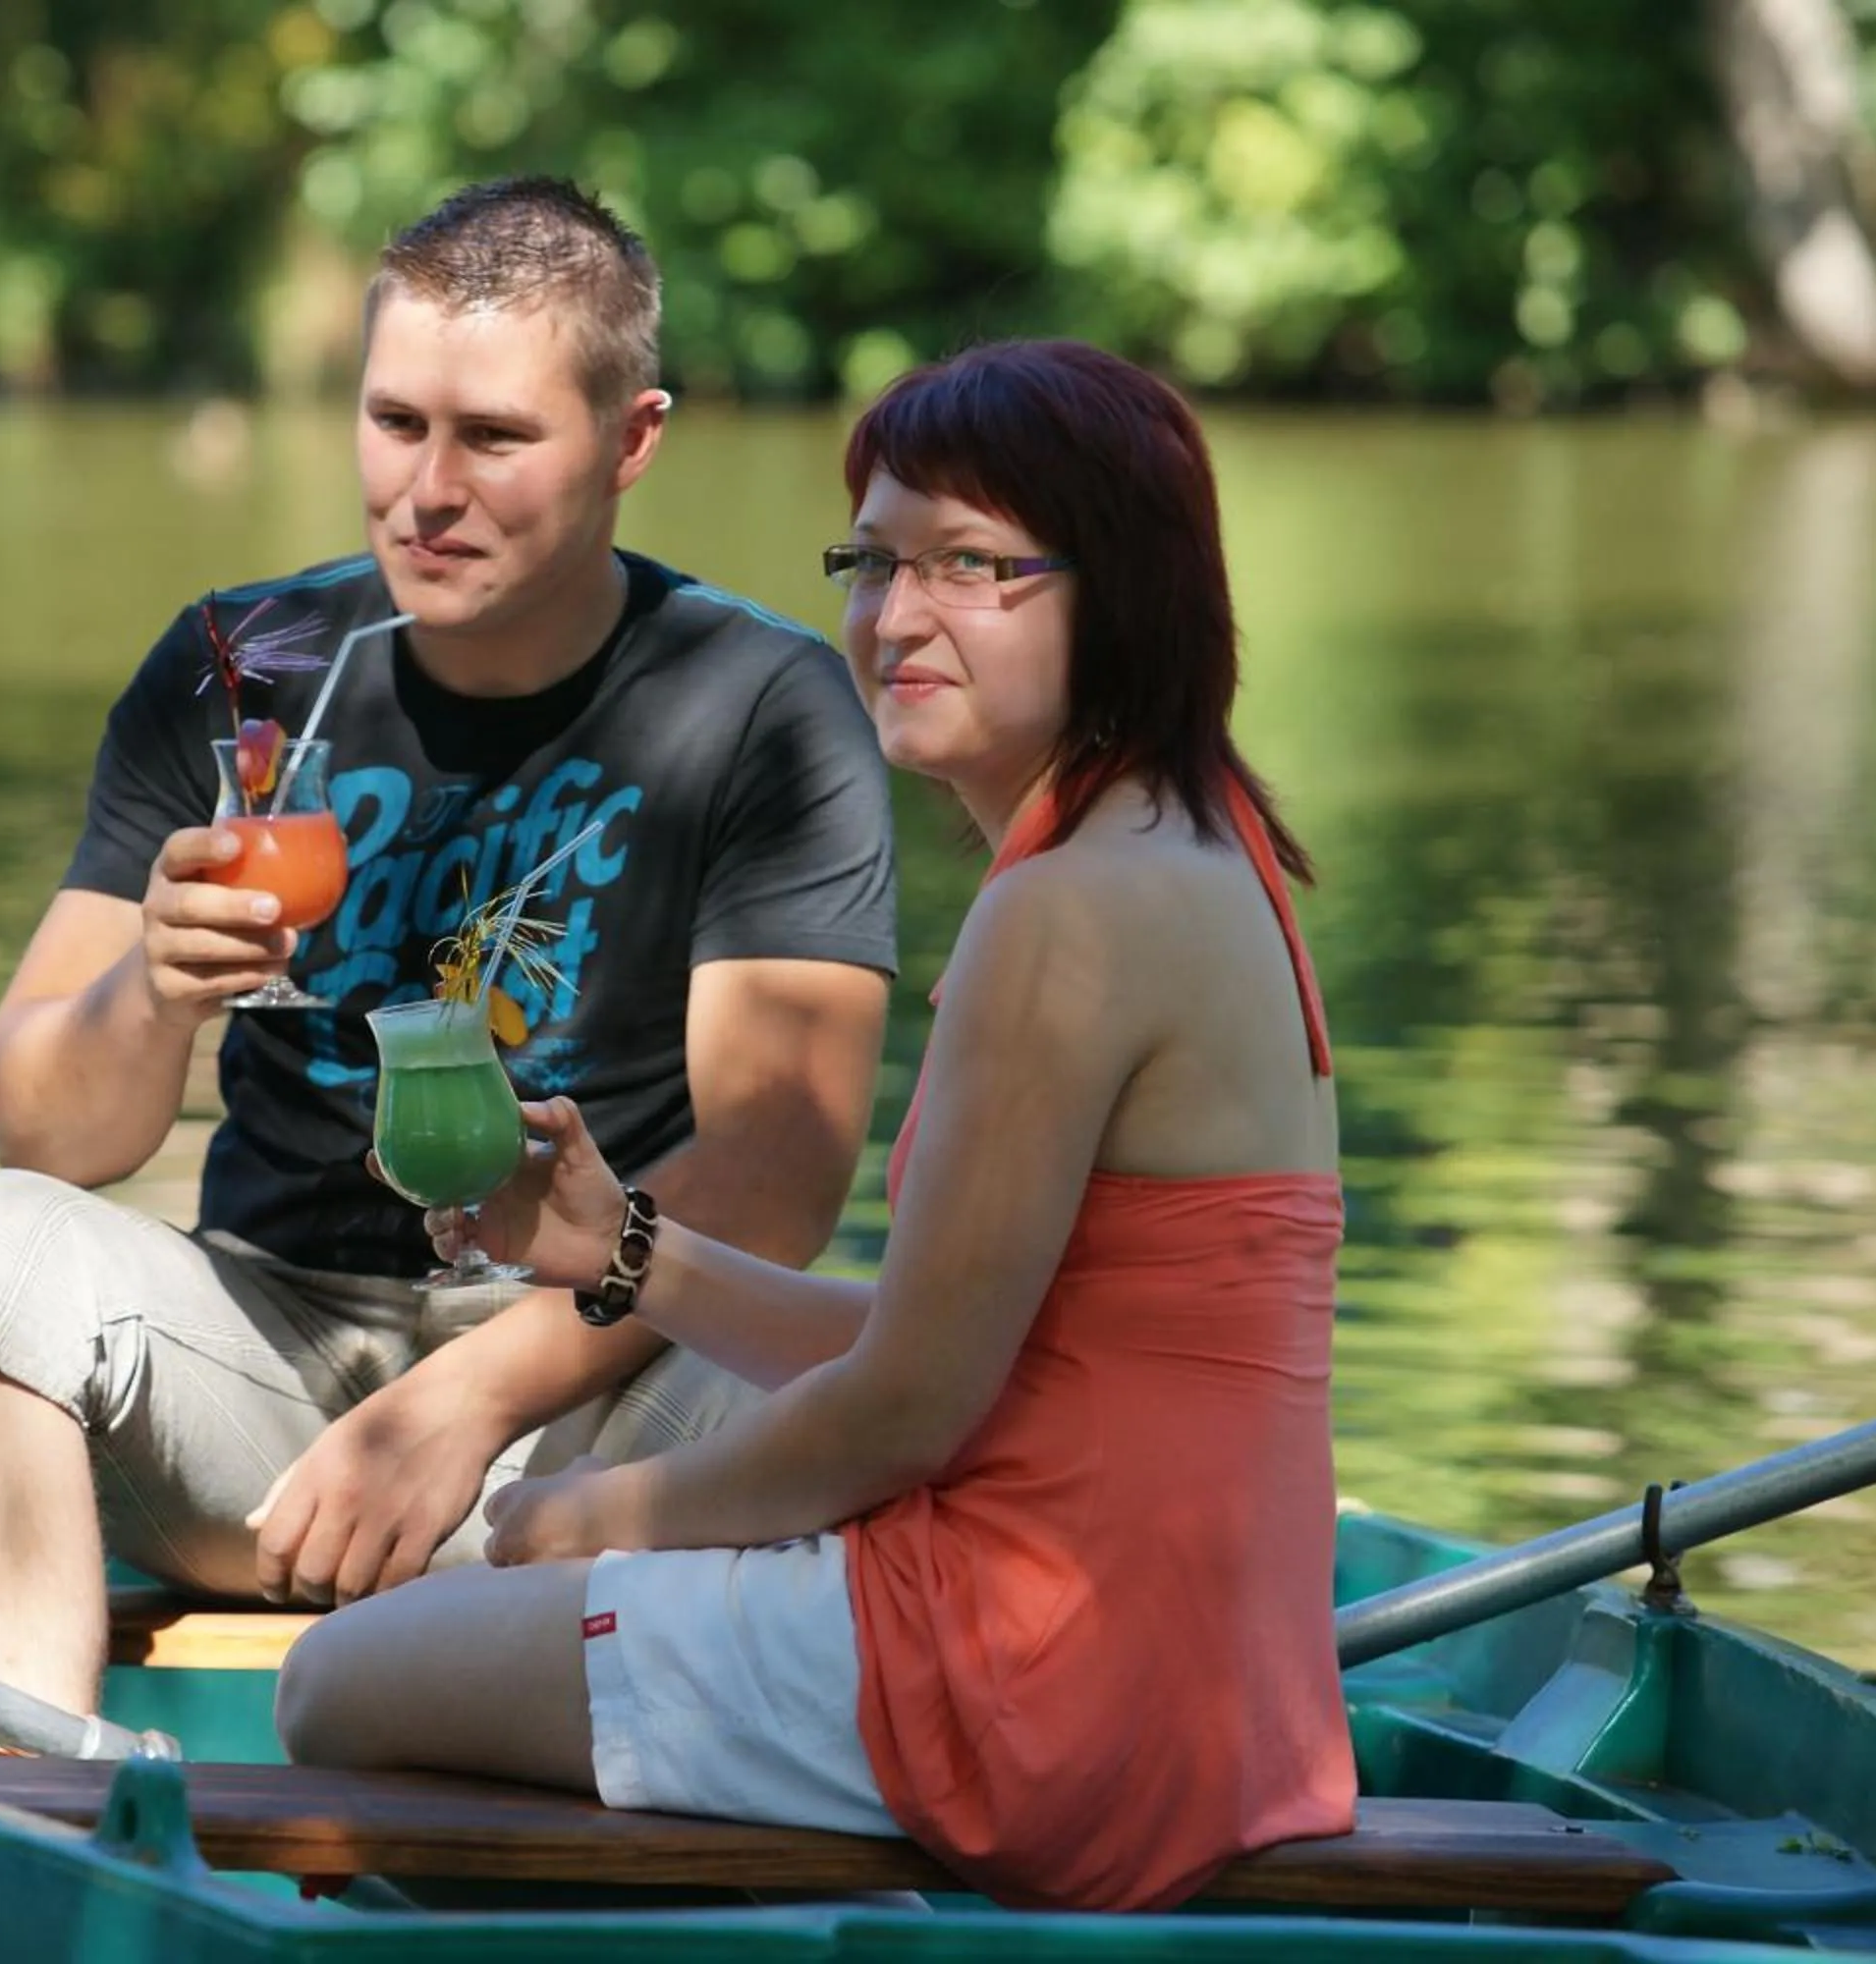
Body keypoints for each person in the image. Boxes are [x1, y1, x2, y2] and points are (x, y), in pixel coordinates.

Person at [274, 339, 1358, 1912]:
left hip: (1037, 1683)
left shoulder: (1068, 913)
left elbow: (906, 1415)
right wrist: (629, 1252)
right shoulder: (1205, 850)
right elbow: (970, 1348)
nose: (895, 617)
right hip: (1216, 1696)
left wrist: (593, 1519)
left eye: (971, 566)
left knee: (338, 1686)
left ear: (1118, 593)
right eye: (877, 561)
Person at [0, 177, 901, 1753]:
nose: (429, 490)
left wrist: (466, 1402)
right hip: (266, 1377)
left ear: (634, 440)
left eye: (494, 438)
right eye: (393, 423)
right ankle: (29, 1829)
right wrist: (153, 985)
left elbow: (773, 1176)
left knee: (863, 1403)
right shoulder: (242, 664)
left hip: (586, 1397)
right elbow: (48, 1138)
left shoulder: (761, 704)